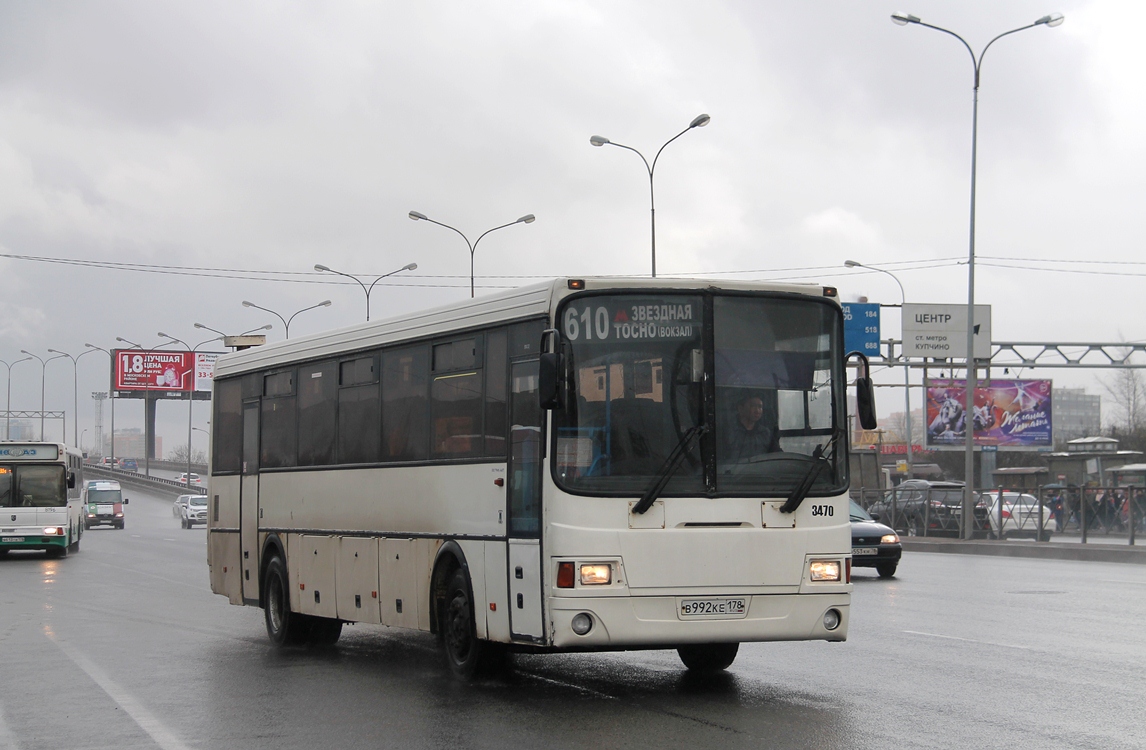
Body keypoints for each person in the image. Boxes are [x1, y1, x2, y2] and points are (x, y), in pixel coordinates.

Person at [721, 393, 780, 463]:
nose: (757, 411)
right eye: (753, 406)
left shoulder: (765, 433)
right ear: (740, 408)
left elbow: (778, 455)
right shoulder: (728, 432)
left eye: (760, 407)